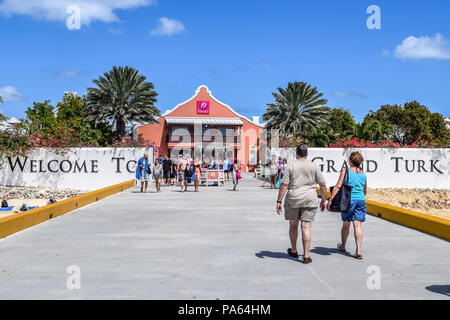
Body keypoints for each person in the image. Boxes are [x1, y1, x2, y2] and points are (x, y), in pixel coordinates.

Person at [276, 145, 327, 264]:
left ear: (296, 154)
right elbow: (323, 184)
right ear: (307, 154)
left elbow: (284, 185)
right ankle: (306, 255)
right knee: (306, 226)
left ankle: (294, 250)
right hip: (310, 197)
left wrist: (279, 201)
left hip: (294, 198)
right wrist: (323, 200)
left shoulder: (291, 166)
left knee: (293, 225)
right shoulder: (313, 166)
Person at [327, 151, 367, 260]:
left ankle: (343, 246)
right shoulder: (363, 174)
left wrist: (330, 200)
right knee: (357, 225)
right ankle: (358, 250)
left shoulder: (346, 171)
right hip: (361, 200)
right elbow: (365, 191)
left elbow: (338, 186)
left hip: (349, 200)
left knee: (346, 224)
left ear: (350, 161)